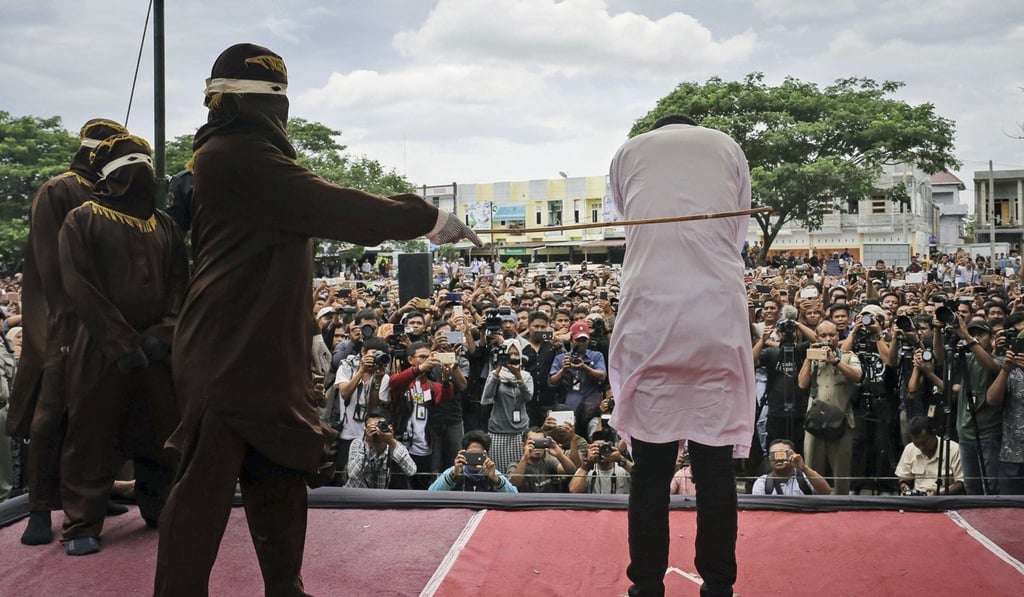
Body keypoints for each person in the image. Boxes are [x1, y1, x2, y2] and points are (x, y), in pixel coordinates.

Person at [154, 43, 480, 597]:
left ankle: (286, 588)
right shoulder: (241, 157)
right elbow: (344, 208)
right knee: (202, 495)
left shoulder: (231, 152)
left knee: (279, 480)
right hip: (228, 350)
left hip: (260, 350)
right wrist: (430, 219)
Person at [608, 113, 754, 597]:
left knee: (650, 471)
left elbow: (630, 226)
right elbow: (736, 234)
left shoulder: (628, 150)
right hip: (716, 310)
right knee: (714, 470)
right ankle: (718, 587)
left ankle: (645, 586)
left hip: (651, 312)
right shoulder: (728, 144)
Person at [56, 135, 188, 555]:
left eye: (144, 162)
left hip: (157, 352)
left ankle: (161, 505)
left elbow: (179, 286)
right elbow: (81, 287)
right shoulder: (81, 219)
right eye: (131, 162)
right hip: (100, 350)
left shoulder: (166, 225)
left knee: (160, 432)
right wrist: (122, 341)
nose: (142, 171)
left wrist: (162, 334)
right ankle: (81, 524)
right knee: (91, 435)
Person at [6, 118, 130, 546]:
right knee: (50, 416)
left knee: (98, 416)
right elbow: (52, 266)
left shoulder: (110, 195)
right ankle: (40, 508)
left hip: (104, 325)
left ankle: (96, 490)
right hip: (63, 322)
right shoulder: (59, 190)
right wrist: (69, 322)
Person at [798, 320, 862, 495]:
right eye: (823, 335)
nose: (828, 339)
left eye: (832, 335)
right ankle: (815, 504)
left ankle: (842, 505)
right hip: (815, 422)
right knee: (812, 467)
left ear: (838, 336)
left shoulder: (848, 355)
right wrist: (808, 359)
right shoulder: (813, 357)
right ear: (817, 337)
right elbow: (802, 384)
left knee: (841, 470)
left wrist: (836, 362)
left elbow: (857, 376)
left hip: (841, 421)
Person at [344, 409, 416, 489]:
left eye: (381, 426)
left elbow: (411, 471)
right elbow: (352, 475)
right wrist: (367, 444)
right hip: (356, 494)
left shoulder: (393, 446)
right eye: (372, 427)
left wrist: (391, 441)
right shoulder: (358, 443)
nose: (377, 430)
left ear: (389, 427)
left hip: (379, 497)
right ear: (365, 430)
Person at [428, 430, 517, 492]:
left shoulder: (493, 473)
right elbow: (431, 493)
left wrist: (495, 479)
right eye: (471, 454)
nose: (475, 458)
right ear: (464, 453)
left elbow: (514, 495)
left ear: (487, 455)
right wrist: (453, 475)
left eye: (478, 454)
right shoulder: (454, 471)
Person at [894, 416, 964, 496]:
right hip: (917, 499)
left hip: (944, 499)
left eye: (924, 442)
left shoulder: (953, 449)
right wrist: (904, 487)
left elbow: (961, 483)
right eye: (916, 443)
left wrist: (938, 494)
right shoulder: (910, 449)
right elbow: (903, 477)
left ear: (933, 434)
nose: (921, 447)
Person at [507, 427, 575, 492]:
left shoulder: (548, 462)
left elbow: (571, 471)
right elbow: (513, 485)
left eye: (540, 443)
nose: (537, 448)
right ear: (523, 445)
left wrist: (559, 455)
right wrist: (525, 457)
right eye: (533, 443)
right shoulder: (515, 465)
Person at [751, 439, 831, 495]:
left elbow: (826, 491)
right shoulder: (762, 482)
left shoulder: (805, 478)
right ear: (769, 459)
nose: (779, 458)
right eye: (774, 455)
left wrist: (804, 468)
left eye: (783, 454)